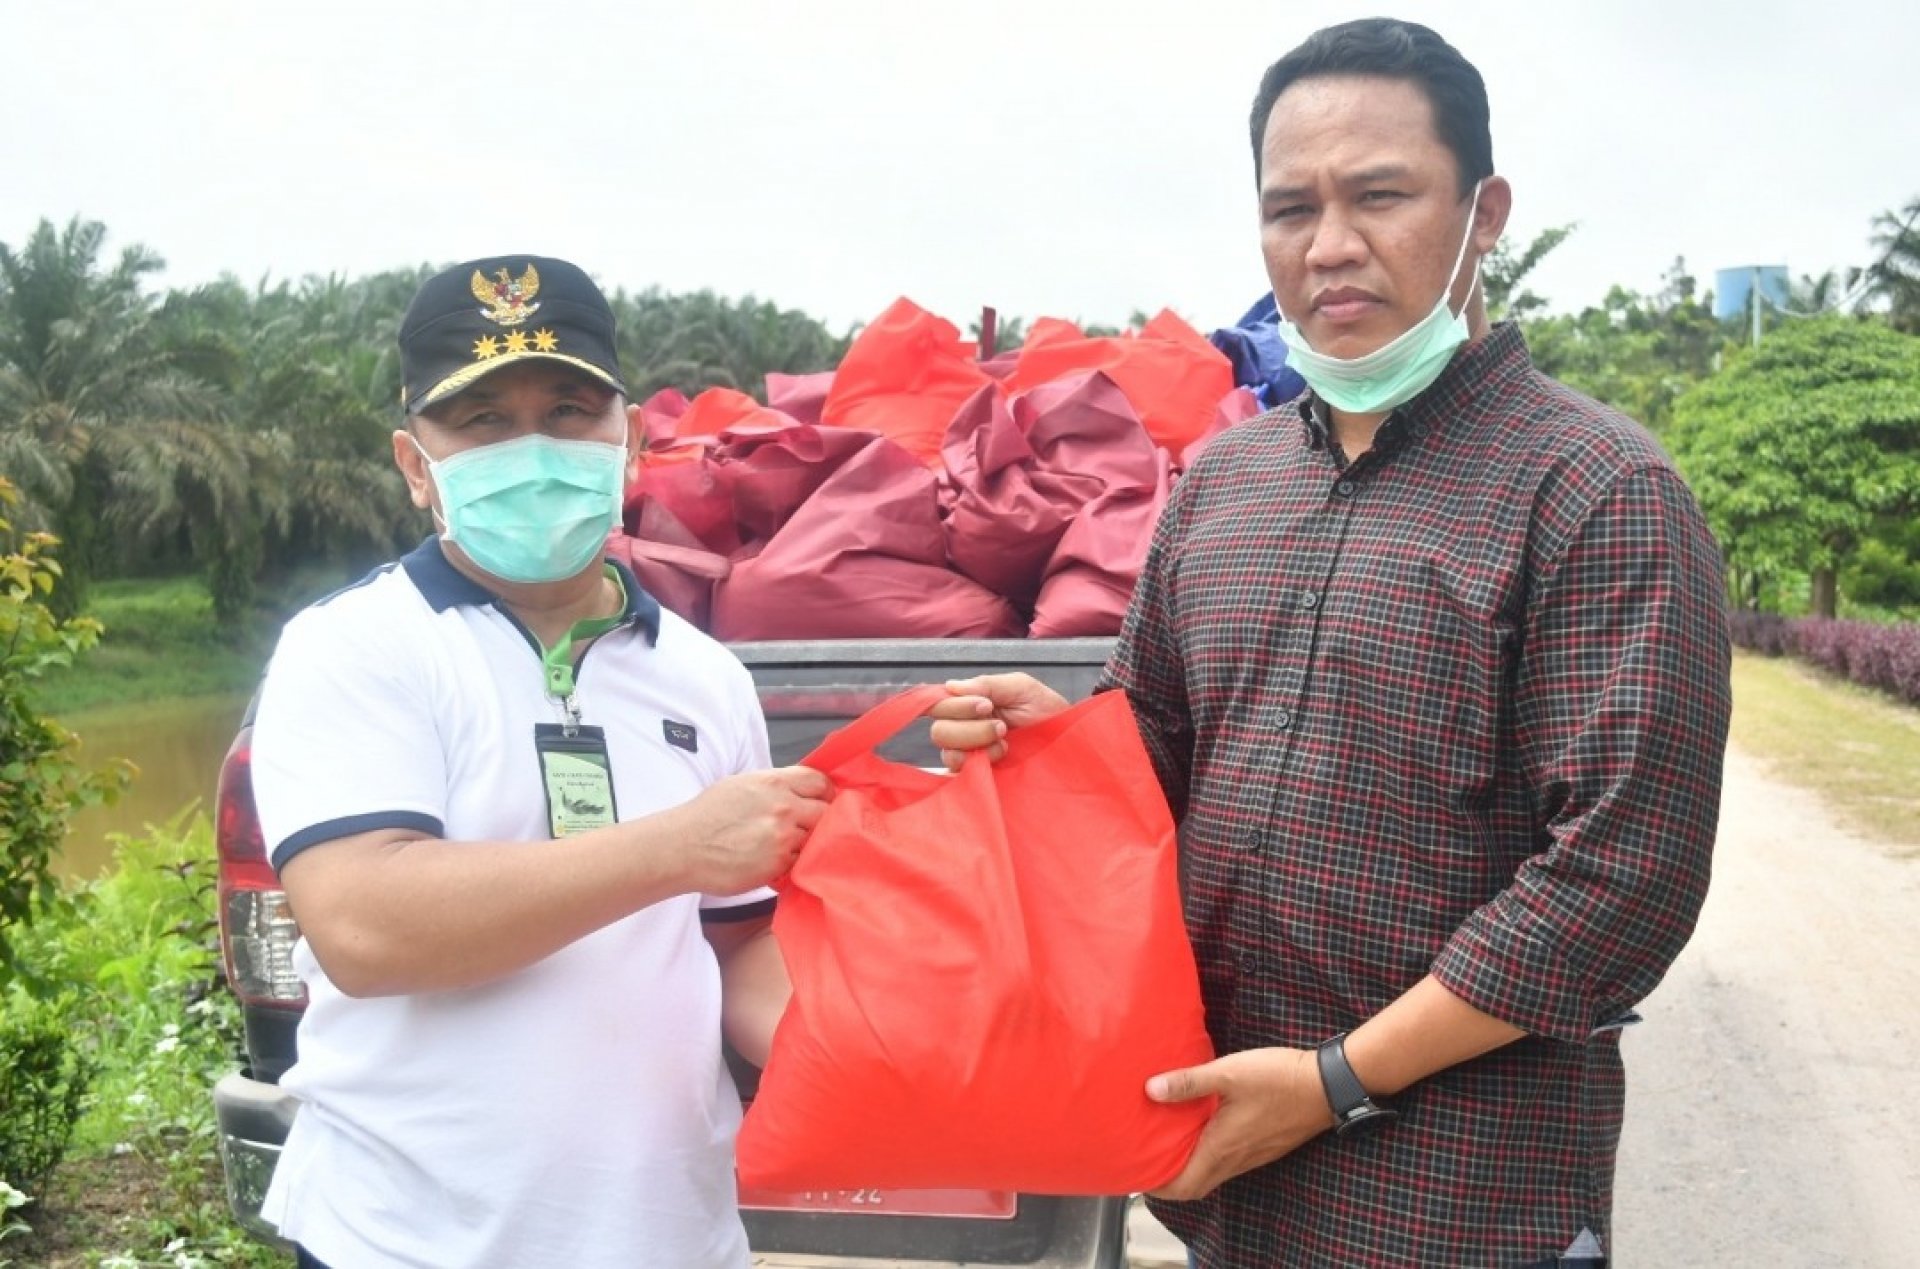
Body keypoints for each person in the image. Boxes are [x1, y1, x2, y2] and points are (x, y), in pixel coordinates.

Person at [931, 19, 1730, 1269]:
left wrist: (1332, 1083)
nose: (1331, 246)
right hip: (1228, 1186)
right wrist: (1059, 743)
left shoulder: (1597, 489)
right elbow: (1162, 747)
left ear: (1485, 212)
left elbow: (1619, 884)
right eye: (1290, 207)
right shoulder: (1223, 483)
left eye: (1381, 196)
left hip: (1464, 1202)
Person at [249, 254, 833, 1268]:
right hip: (405, 1241)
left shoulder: (702, 677)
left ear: (632, 441)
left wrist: (880, 1062)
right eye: (482, 422)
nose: (532, 449)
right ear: (414, 463)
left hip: (668, 1235)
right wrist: (678, 848)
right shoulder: (356, 648)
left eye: (568, 411)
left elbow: (739, 947)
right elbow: (366, 928)